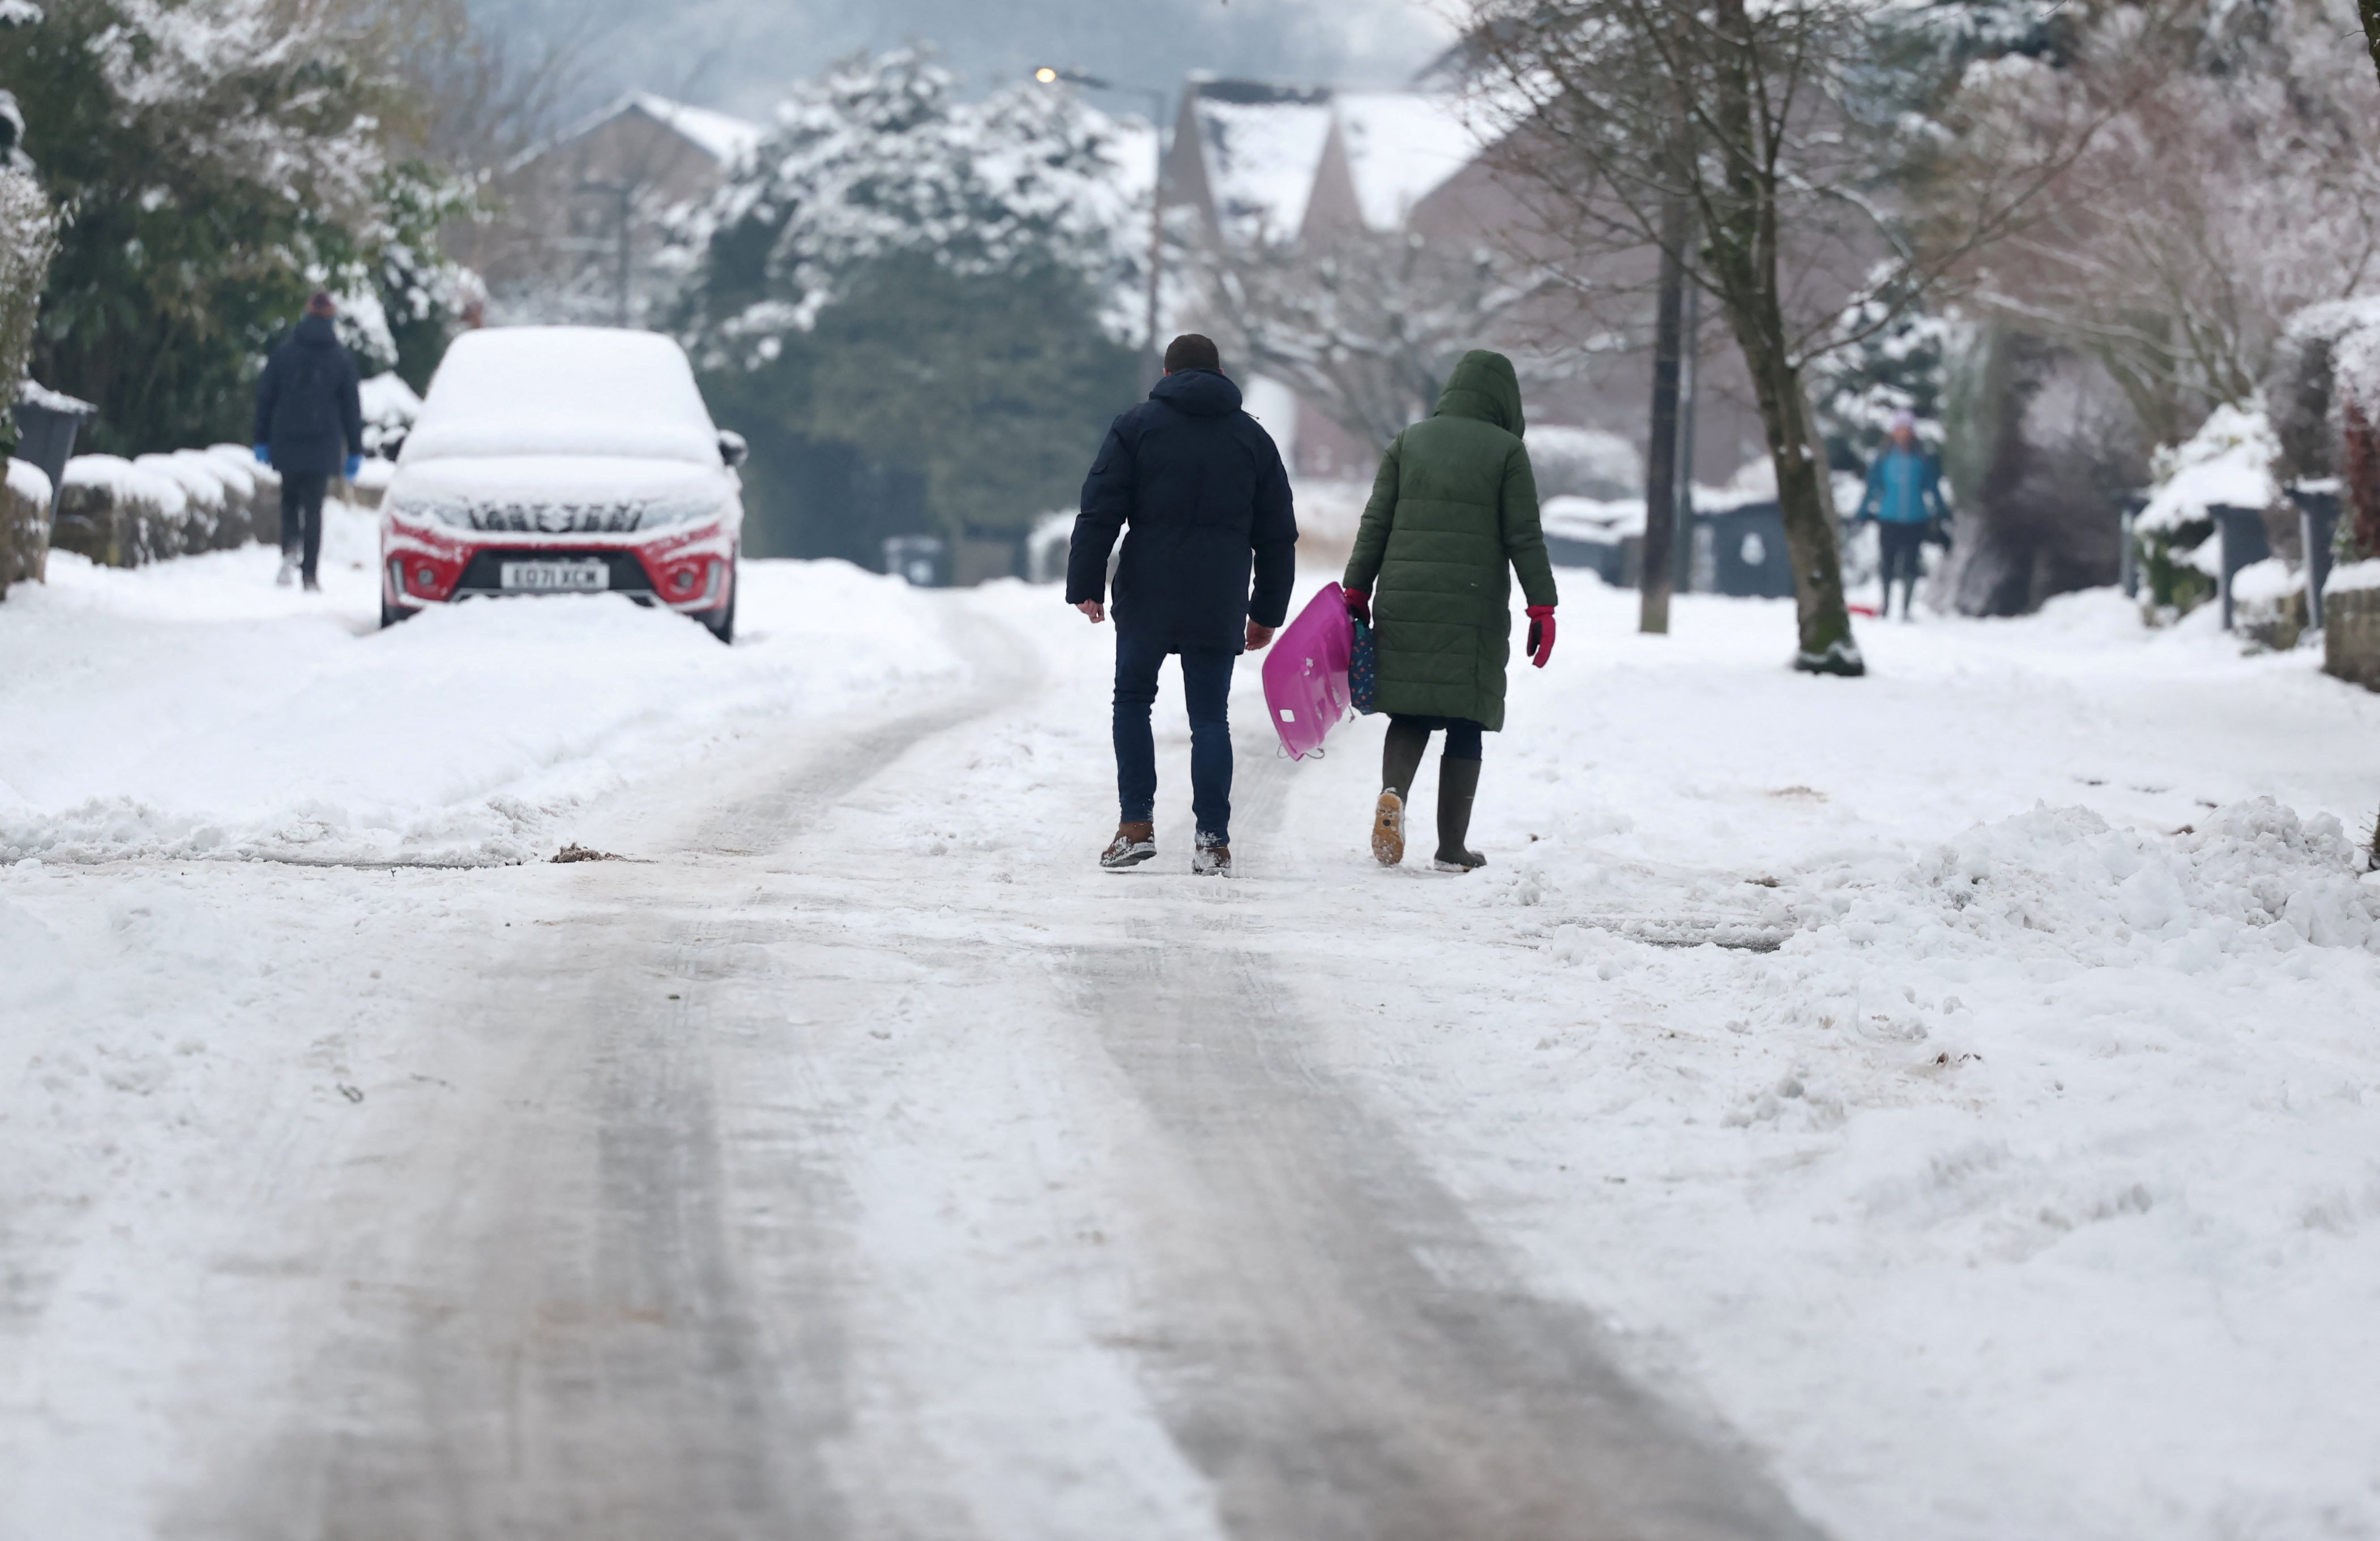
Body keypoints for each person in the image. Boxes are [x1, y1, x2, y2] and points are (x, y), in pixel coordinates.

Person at [1067, 333, 1297, 876]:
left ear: (1167, 376)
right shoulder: (1251, 438)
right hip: (1217, 596)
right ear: (1219, 374)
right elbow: (1277, 534)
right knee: (1209, 718)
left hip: (1148, 588)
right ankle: (1212, 842)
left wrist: (1086, 584)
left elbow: (1099, 510)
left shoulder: (1136, 427)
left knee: (1131, 702)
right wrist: (1267, 611)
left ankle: (1135, 827)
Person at [1343, 350, 1557, 873]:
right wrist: (1541, 605)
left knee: (1410, 709)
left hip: (1405, 592)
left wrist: (1356, 588)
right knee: (1465, 718)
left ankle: (1393, 794)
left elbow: (1376, 520)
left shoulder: (1409, 441)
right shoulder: (1507, 451)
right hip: (1472, 599)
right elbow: (1523, 536)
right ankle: (1451, 848)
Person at [254, 290, 364, 591]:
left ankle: (290, 549)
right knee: (314, 508)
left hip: (286, 438)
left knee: (289, 499)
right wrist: (355, 449)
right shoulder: (340, 357)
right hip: (323, 442)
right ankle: (310, 575)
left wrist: (261, 438)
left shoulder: (284, 353)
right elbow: (351, 408)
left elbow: (266, 398)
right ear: (333, 320)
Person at [1854, 408, 1948, 620]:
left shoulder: (1922, 459)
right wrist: (1862, 513)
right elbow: (1873, 489)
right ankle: (1886, 606)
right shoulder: (1884, 458)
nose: (1903, 433)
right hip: (1888, 518)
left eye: (1906, 429)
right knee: (1887, 563)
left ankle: (1905, 609)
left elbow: (1932, 487)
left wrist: (1942, 511)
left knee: (1910, 564)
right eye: (1899, 429)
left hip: (1916, 519)